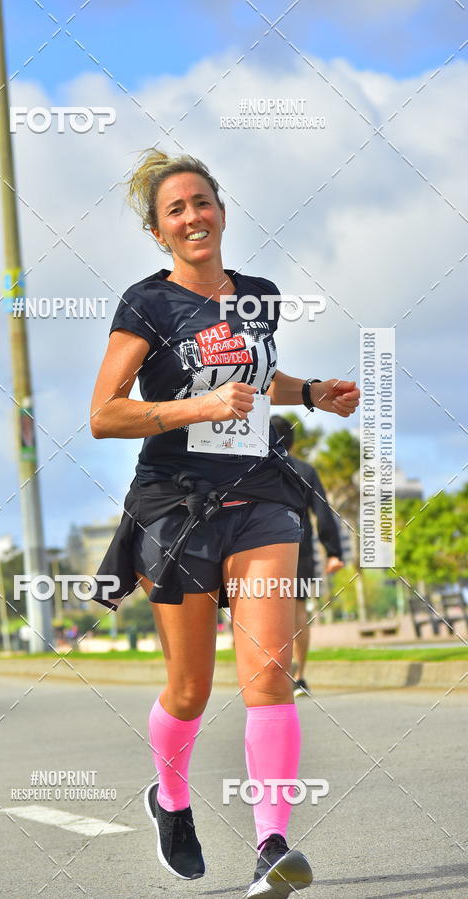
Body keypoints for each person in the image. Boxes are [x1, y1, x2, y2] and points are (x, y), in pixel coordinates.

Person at [89, 148, 360, 898]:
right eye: (175, 209)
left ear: (221, 209)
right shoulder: (148, 304)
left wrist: (309, 390)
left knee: (270, 674)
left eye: (201, 201)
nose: (192, 216)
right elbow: (104, 413)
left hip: (260, 496)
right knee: (190, 690)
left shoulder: (260, 296)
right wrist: (196, 407)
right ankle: (169, 799)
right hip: (175, 506)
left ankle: (272, 844)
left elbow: (256, 374)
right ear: (159, 232)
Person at [270, 416, 345, 697]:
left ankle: (271, 675)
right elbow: (323, 512)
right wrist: (334, 552)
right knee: (298, 610)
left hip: (261, 549)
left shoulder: (254, 469)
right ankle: (299, 676)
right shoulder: (305, 470)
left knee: (264, 608)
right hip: (299, 546)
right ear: (293, 441)